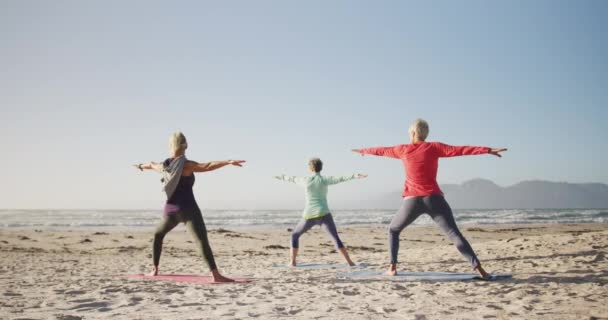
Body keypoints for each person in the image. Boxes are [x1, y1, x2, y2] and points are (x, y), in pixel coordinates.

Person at [352, 119, 507, 278]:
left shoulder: (402, 149)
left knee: (393, 230)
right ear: (425, 134)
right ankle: (481, 271)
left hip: (412, 201)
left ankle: (392, 268)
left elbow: (382, 151)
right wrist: (487, 150)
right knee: (454, 234)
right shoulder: (434, 147)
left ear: (412, 133)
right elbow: (459, 150)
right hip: (434, 199)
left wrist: (364, 150)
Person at [134, 131, 245, 282]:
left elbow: (151, 165)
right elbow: (207, 166)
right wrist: (228, 161)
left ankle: (154, 270)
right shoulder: (186, 165)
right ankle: (216, 275)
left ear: (170, 146)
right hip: (188, 210)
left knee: (158, 235)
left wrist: (140, 166)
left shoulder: (164, 166)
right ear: (185, 145)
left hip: (170, 211)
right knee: (201, 240)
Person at [275, 158, 367, 267]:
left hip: (309, 215)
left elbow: (291, 178)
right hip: (324, 214)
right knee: (335, 238)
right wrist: (355, 175)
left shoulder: (305, 180)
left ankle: (292, 262)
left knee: (295, 235)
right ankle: (350, 262)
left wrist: (279, 176)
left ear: (310, 168)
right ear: (321, 168)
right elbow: (340, 178)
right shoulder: (324, 180)